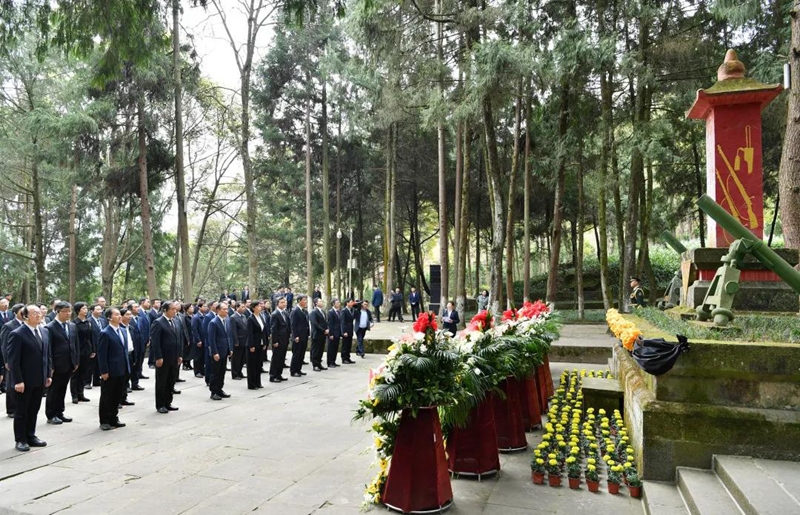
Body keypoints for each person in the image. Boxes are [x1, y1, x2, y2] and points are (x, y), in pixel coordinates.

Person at [7, 305, 52, 451]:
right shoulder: (17, 334)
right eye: (34, 313)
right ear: (26, 316)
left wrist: (48, 374)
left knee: (34, 409)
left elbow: (47, 355)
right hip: (24, 381)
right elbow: (13, 361)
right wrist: (18, 380)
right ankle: (20, 439)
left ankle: (31, 435)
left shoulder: (44, 331)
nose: (39, 315)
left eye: (39, 312)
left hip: (39, 379)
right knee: (22, 411)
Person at [45, 301, 79, 425]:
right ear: (57, 312)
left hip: (69, 363)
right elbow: (48, 349)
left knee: (62, 389)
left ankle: (60, 412)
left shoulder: (72, 326)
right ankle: (51, 414)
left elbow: (75, 344)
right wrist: (51, 366)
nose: (68, 314)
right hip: (56, 365)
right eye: (65, 311)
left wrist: (75, 361)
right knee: (53, 390)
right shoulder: (49, 327)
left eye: (69, 311)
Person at [96, 307, 128, 431]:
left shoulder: (123, 330)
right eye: (116, 314)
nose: (119, 316)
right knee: (107, 396)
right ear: (109, 318)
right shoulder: (105, 333)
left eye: (120, 314)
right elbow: (102, 354)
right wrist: (104, 371)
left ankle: (114, 418)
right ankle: (104, 420)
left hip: (122, 369)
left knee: (117, 395)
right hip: (110, 370)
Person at [150, 301, 183, 413]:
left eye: (175, 309)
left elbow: (179, 340)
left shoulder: (176, 321)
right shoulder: (158, 322)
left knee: (171, 380)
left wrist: (180, 355)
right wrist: (158, 357)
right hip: (164, 357)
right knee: (162, 381)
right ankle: (160, 404)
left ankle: (168, 402)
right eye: (172, 309)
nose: (175, 311)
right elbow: (155, 342)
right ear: (165, 310)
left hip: (174, 356)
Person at [1, 304, 24, 418]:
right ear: (15, 313)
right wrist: (6, 360)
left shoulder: (27, 324)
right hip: (12, 359)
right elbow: (4, 345)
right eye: (21, 311)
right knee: (12, 384)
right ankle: (11, 409)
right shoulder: (9, 326)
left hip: (24, 359)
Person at [206, 302, 232, 400]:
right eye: (224, 309)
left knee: (222, 372)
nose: (226, 311)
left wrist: (230, 349)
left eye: (227, 309)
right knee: (215, 373)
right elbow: (211, 340)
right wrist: (215, 352)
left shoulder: (227, 321)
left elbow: (229, 336)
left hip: (225, 350)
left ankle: (220, 389)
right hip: (217, 351)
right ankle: (214, 391)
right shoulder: (213, 322)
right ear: (218, 310)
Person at [70, 303, 94, 404]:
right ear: (78, 310)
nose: (86, 310)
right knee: (75, 374)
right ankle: (74, 395)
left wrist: (93, 349)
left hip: (87, 350)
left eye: (86, 308)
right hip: (77, 351)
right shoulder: (74, 323)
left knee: (83, 373)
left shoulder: (88, 322)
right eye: (83, 308)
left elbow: (91, 337)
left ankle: (81, 393)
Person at [117, 308, 137, 408]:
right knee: (120, 379)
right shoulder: (118, 328)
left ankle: (123, 398)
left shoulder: (130, 328)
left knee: (126, 377)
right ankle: (117, 400)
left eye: (130, 315)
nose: (130, 317)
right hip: (121, 356)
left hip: (130, 354)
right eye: (127, 315)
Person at [246, 300, 266, 389]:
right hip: (253, 344)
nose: (260, 307)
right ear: (253, 308)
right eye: (258, 306)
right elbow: (250, 333)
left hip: (260, 343)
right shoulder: (250, 318)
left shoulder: (260, 317)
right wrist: (251, 345)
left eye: (260, 306)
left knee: (258, 364)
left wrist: (264, 342)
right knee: (252, 365)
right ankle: (252, 383)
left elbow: (263, 331)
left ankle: (258, 382)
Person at [269, 297, 290, 383]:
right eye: (282, 302)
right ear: (277, 304)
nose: (284, 304)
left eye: (284, 302)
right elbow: (273, 329)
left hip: (285, 339)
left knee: (282, 358)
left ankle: (279, 374)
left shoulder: (285, 313)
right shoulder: (275, 314)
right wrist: (275, 341)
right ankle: (273, 375)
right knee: (276, 358)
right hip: (278, 340)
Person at [290, 295, 310, 377]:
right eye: (304, 300)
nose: (306, 302)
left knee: (301, 353)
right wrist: (295, 336)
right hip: (298, 336)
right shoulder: (295, 311)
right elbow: (293, 325)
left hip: (304, 335)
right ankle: (293, 370)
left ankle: (298, 369)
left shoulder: (303, 311)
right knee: (297, 354)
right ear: (299, 301)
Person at [128, 302, 146, 391]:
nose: (138, 308)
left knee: (138, 364)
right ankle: (127, 385)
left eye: (138, 307)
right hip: (132, 345)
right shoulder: (128, 319)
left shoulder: (140, 319)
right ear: (130, 309)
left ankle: (135, 383)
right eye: (135, 307)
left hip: (141, 345)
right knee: (131, 365)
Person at [229, 302, 248, 380]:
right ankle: (235, 373)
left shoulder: (244, 316)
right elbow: (233, 331)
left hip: (244, 340)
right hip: (238, 341)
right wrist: (236, 341)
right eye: (242, 307)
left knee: (242, 358)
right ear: (237, 308)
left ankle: (239, 372)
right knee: (236, 359)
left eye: (244, 307)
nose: (244, 308)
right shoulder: (233, 317)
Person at [309, 298, 329, 372]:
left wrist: (327, 329)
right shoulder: (314, 312)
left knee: (320, 350)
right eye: (320, 301)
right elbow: (315, 324)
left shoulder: (322, 311)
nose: (322, 302)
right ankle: (315, 365)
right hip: (317, 334)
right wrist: (324, 330)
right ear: (316, 303)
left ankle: (319, 363)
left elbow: (325, 322)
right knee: (316, 350)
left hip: (323, 334)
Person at [191, 302, 207, 379]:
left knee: (203, 356)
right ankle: (197, 371)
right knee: (197, 357)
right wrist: (198, 340)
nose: (206, 308)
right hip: (198, 340)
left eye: (206, 306)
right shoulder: (196, 317)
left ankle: (202, 370)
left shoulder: (205, 316)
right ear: (199, 307)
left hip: (204, 339)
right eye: (204, 306)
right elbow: (194, 329)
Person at [326, 299, 342, 368]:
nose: (339, 304)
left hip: (337, 333)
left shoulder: (338, 312)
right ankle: (330, 362)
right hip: (332, 333)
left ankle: (333, 361)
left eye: (339, 302)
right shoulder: (331, 312)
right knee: (331, 349)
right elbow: (330, 324)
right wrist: (330, 334)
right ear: (333, 304)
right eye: (337, 303)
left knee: (335, 348)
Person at [340, 299, 356, 364]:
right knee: (345, 345)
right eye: (351, 302)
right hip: (346, 331)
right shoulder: (344, 311)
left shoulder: (351, 310)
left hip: (350, 330)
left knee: (349, 345)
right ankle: (344, 358)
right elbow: (343, 322)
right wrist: (344, 331)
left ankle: (348, 357)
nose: (352, 303)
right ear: (347, 303)